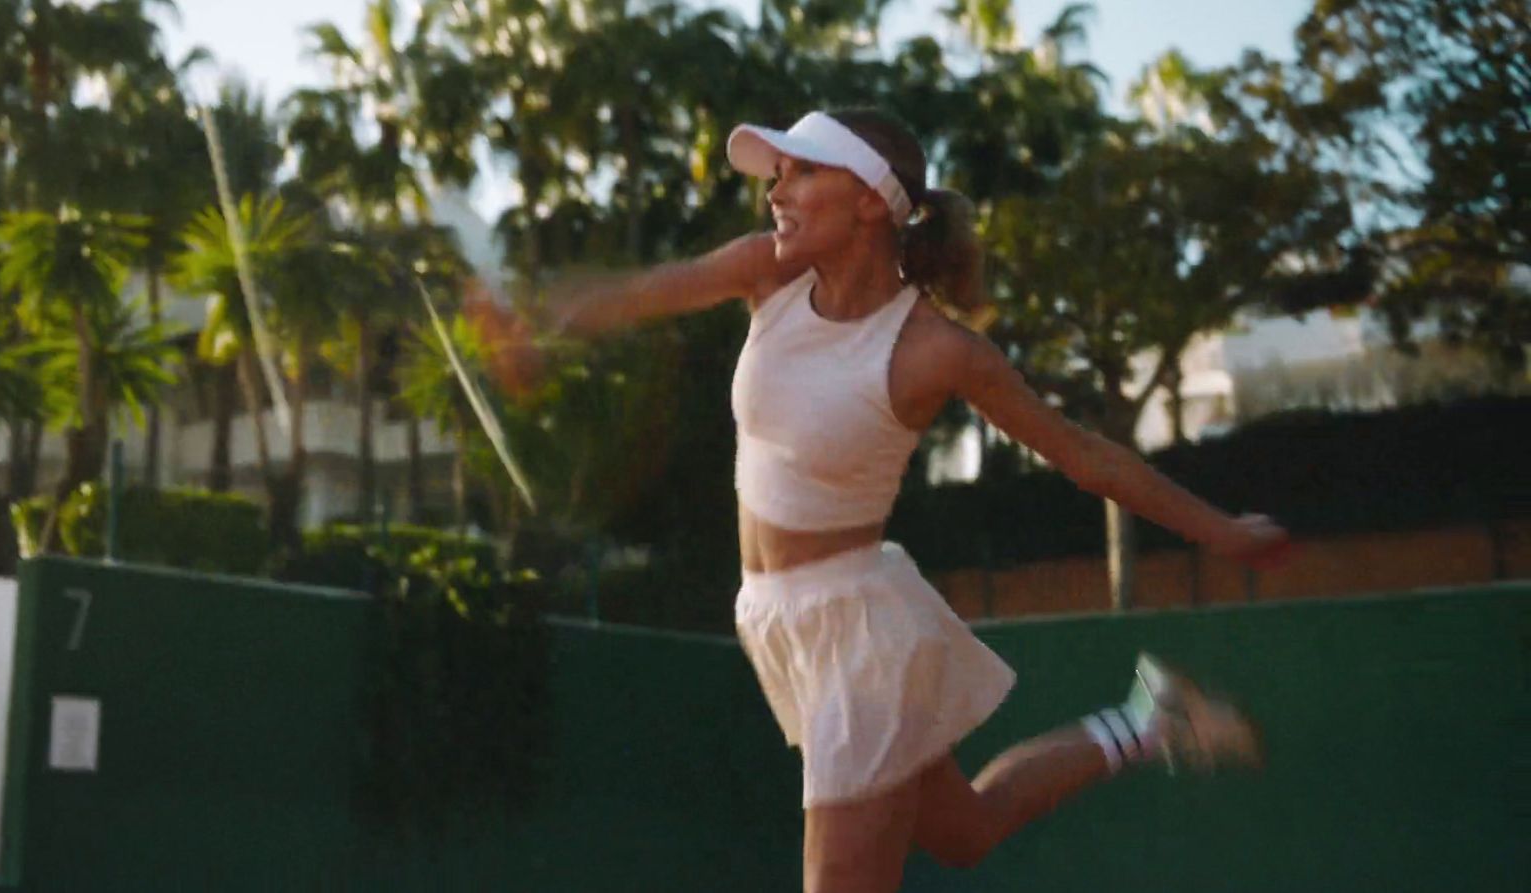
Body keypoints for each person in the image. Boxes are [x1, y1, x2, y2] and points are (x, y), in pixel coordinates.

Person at [541, 108, 1292, 893]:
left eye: (802, 171)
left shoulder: (935, 349)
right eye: (777, 174)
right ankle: (1148, 725)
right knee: (965, 829)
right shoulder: (767, 270)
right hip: (779, 620)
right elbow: (643, 292)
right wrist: (543, 328)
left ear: (871, 199)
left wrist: (1224, 531)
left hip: (860, 639)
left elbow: (1086, 456)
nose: (776, 191)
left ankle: (1152, 723)